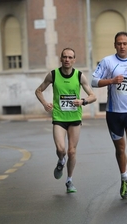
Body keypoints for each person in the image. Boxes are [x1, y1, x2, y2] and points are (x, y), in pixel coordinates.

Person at [92, 32, 127, 199]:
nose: (122, 46)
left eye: (125, 43)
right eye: (119, 43)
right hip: (113, 113)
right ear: (115, 45)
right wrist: (111, 81)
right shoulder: (107, 61)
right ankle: (124, 178)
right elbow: (94, 81)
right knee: (120, 148)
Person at [35, 47, 97, 193]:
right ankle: (61, 160)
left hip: (75, 117)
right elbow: (38, 90)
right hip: (59, 117)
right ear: (61, 59)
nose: (67, 60)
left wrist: (83, 101)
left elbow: (93, 96)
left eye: (70, 57)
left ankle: (69, 180)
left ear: (74, 60)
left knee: (72, 151)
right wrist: (45, 104)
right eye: (65, 57)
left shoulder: (80, 76)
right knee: (61, 149)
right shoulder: (53, 75)